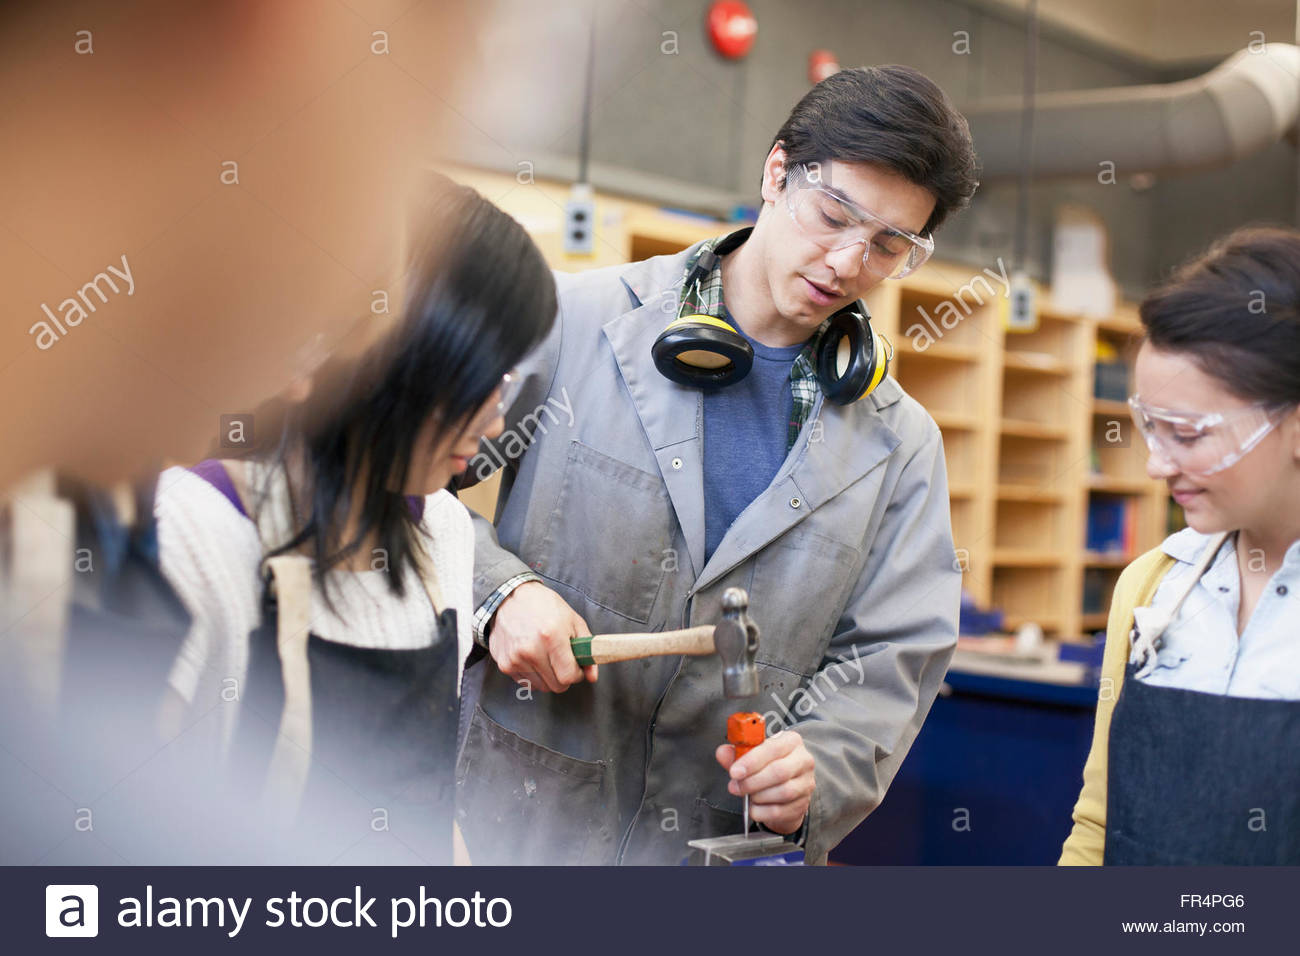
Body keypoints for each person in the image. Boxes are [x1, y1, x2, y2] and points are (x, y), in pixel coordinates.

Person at [454, 65, 981, 865]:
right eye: (834, 214)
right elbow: (394, 489)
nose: (846, 263)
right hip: (511, 826)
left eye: (888, 246)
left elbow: (891, 659)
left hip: (710, 850)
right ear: (776, 173)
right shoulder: (575, 321)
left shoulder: (900, 444)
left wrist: (820, 768)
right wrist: (498, 592)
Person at [151, 181, 555, 863]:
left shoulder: (447, 536)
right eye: (478, 382)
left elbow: (426, 805)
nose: (495, 422)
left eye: (508, 386)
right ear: (391, 358)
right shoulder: (195, 531)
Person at [1060, 226, 1300, 865]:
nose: (1156, 468)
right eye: (1150, 430)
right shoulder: (1153, 586)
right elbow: (1098, 827)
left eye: (1189, 435)